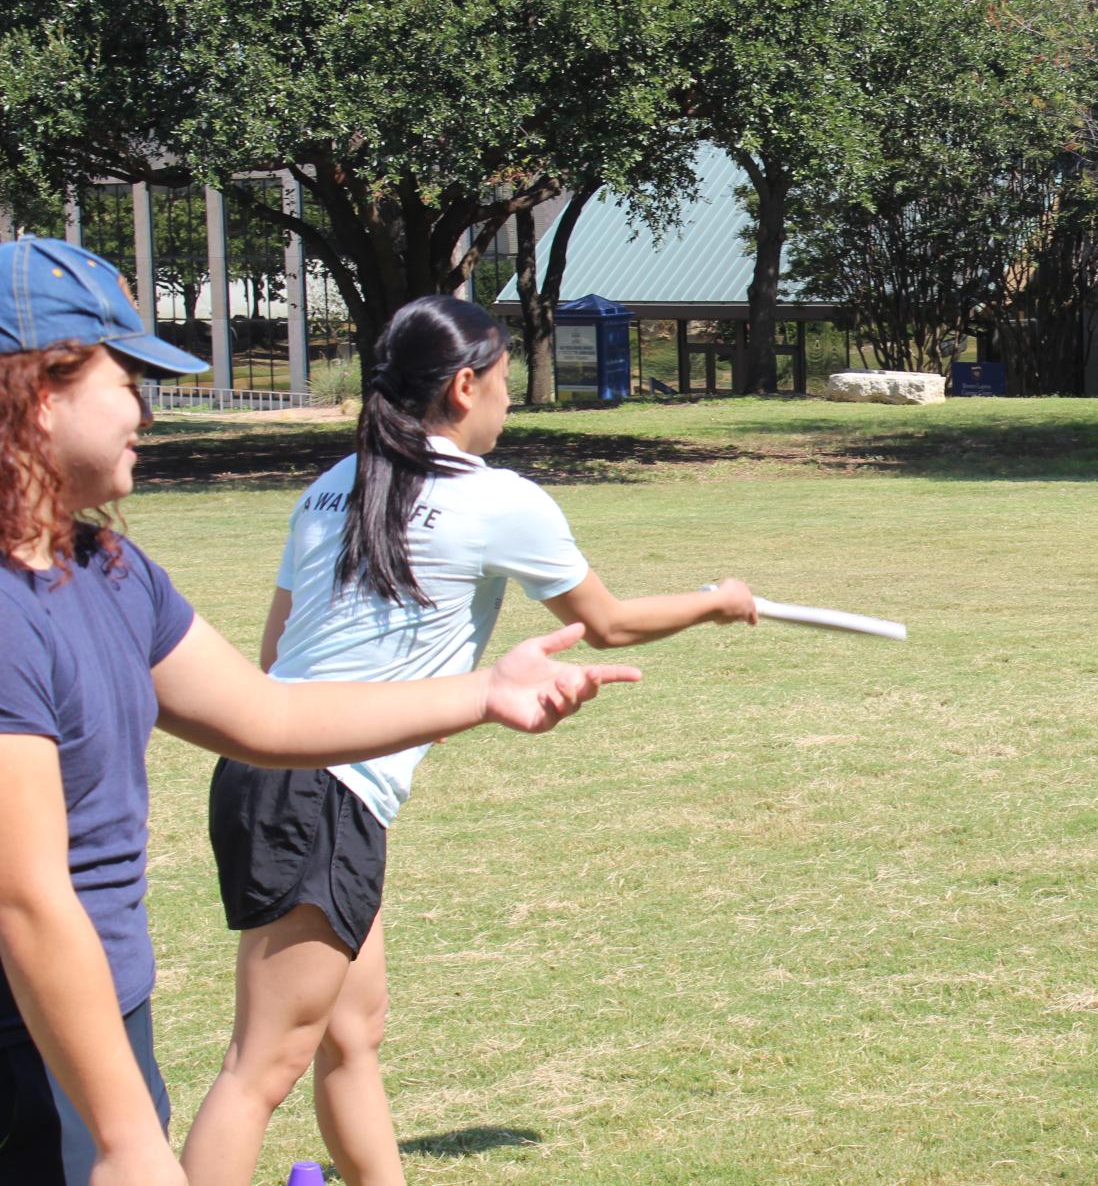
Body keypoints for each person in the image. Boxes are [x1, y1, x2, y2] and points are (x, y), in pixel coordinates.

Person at [0, 237, 638, 1186]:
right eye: (126, 375)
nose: (144, 406)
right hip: (29, 1025)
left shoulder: (109, 572)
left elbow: (265, 712)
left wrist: (480, 693)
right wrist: (130, 1140)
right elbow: (25, 895)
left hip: (101, 1006)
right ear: (39, 390)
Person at [179, 295, 759, 1186]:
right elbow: (606, 624)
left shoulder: (329, 485)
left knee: (352, 1034)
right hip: (321, 794)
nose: (508, 403)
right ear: (462, 386)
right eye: (502, 384)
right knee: (260, 1066)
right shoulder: (496, 500)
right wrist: (717, 601)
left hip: (274, 775)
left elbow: (276, 655)